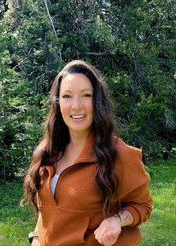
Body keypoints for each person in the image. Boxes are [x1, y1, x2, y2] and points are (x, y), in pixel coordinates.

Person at [22, 60, 153, 246]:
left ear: (97, 101)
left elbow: (143, 206)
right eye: (67, 96)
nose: (76, 105)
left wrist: (116, 220)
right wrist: (36, 238)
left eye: (86, 95)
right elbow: (49, 211)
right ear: (58, 102)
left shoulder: (119, 154)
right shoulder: (49, 152)